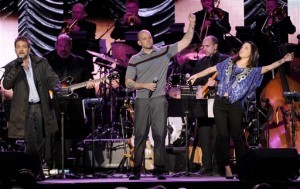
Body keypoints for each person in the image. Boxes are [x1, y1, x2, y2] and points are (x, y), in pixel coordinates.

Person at [188, 41, 294, 178]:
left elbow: (269, 67)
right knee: (223, 136)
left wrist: (283, 60)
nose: (242, 49)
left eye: (246, 48)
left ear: (251, 53)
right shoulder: (228, 63)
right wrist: (196, 75)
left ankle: (242, 166)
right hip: (220, 102)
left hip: (235, 104)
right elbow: (211, 69)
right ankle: (227, 167)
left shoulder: (252, 71)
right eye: (242, 47)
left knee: (237, 135)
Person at [125, 13, 196, 180]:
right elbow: (128, 82)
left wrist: (192, 24)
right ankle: (136, 169)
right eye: (144, 38)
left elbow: (185, 42)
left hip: (159, 99)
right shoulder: (135, 59)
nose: (148, 40)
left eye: (149, 37)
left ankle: (160, 168)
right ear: (139, 42)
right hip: (142, 100)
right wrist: (144, 85)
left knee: (160, 134)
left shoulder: (163, 52)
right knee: (141, 134)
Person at [2, 36, 62, 181]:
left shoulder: (41, 62)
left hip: (41, 107)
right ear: (15, 49)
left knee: (40, 141)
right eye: (18, 46)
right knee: (31, 142)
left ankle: (35, 169)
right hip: (25, 110)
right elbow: (7, 84)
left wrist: (56, 87)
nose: (21, 49)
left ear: (29, 48)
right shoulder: (12, 66)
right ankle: (38, 170)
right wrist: (17, 67)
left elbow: (52, 77)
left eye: (24, 46)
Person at [43, 34, 95, 169]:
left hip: (73, 105)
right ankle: (50, 164)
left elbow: (87, 87)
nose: (63, 49)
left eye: (66, 46)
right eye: (60, 46)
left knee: (71, 130)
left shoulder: (81, 62)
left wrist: (89, 87)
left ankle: (68, 163)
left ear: (70, 46)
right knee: (52, 131)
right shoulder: (46, 60)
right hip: (52, 104)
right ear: (55, 46)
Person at [191, 35, 230, 176]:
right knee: (204, 134)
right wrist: (198, 88)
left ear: (215, 46)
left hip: (219, 101)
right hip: (203, 101)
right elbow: (195, 81)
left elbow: (231, 81)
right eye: (203, 46)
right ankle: (206, 166)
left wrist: (218, 84)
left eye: (207, 46)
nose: (204, 48)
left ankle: (217, 166)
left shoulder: (225, 59)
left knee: (217, 133)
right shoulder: (200, 63)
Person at [63, 2, 97, 74]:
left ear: (84, 14)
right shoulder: (66, 25)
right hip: (69, 58)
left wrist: (79, 30)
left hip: (84, 58)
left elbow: (91, 40)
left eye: (78, 12)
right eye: (74, 12)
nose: (75, 14)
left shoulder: (91, 26)